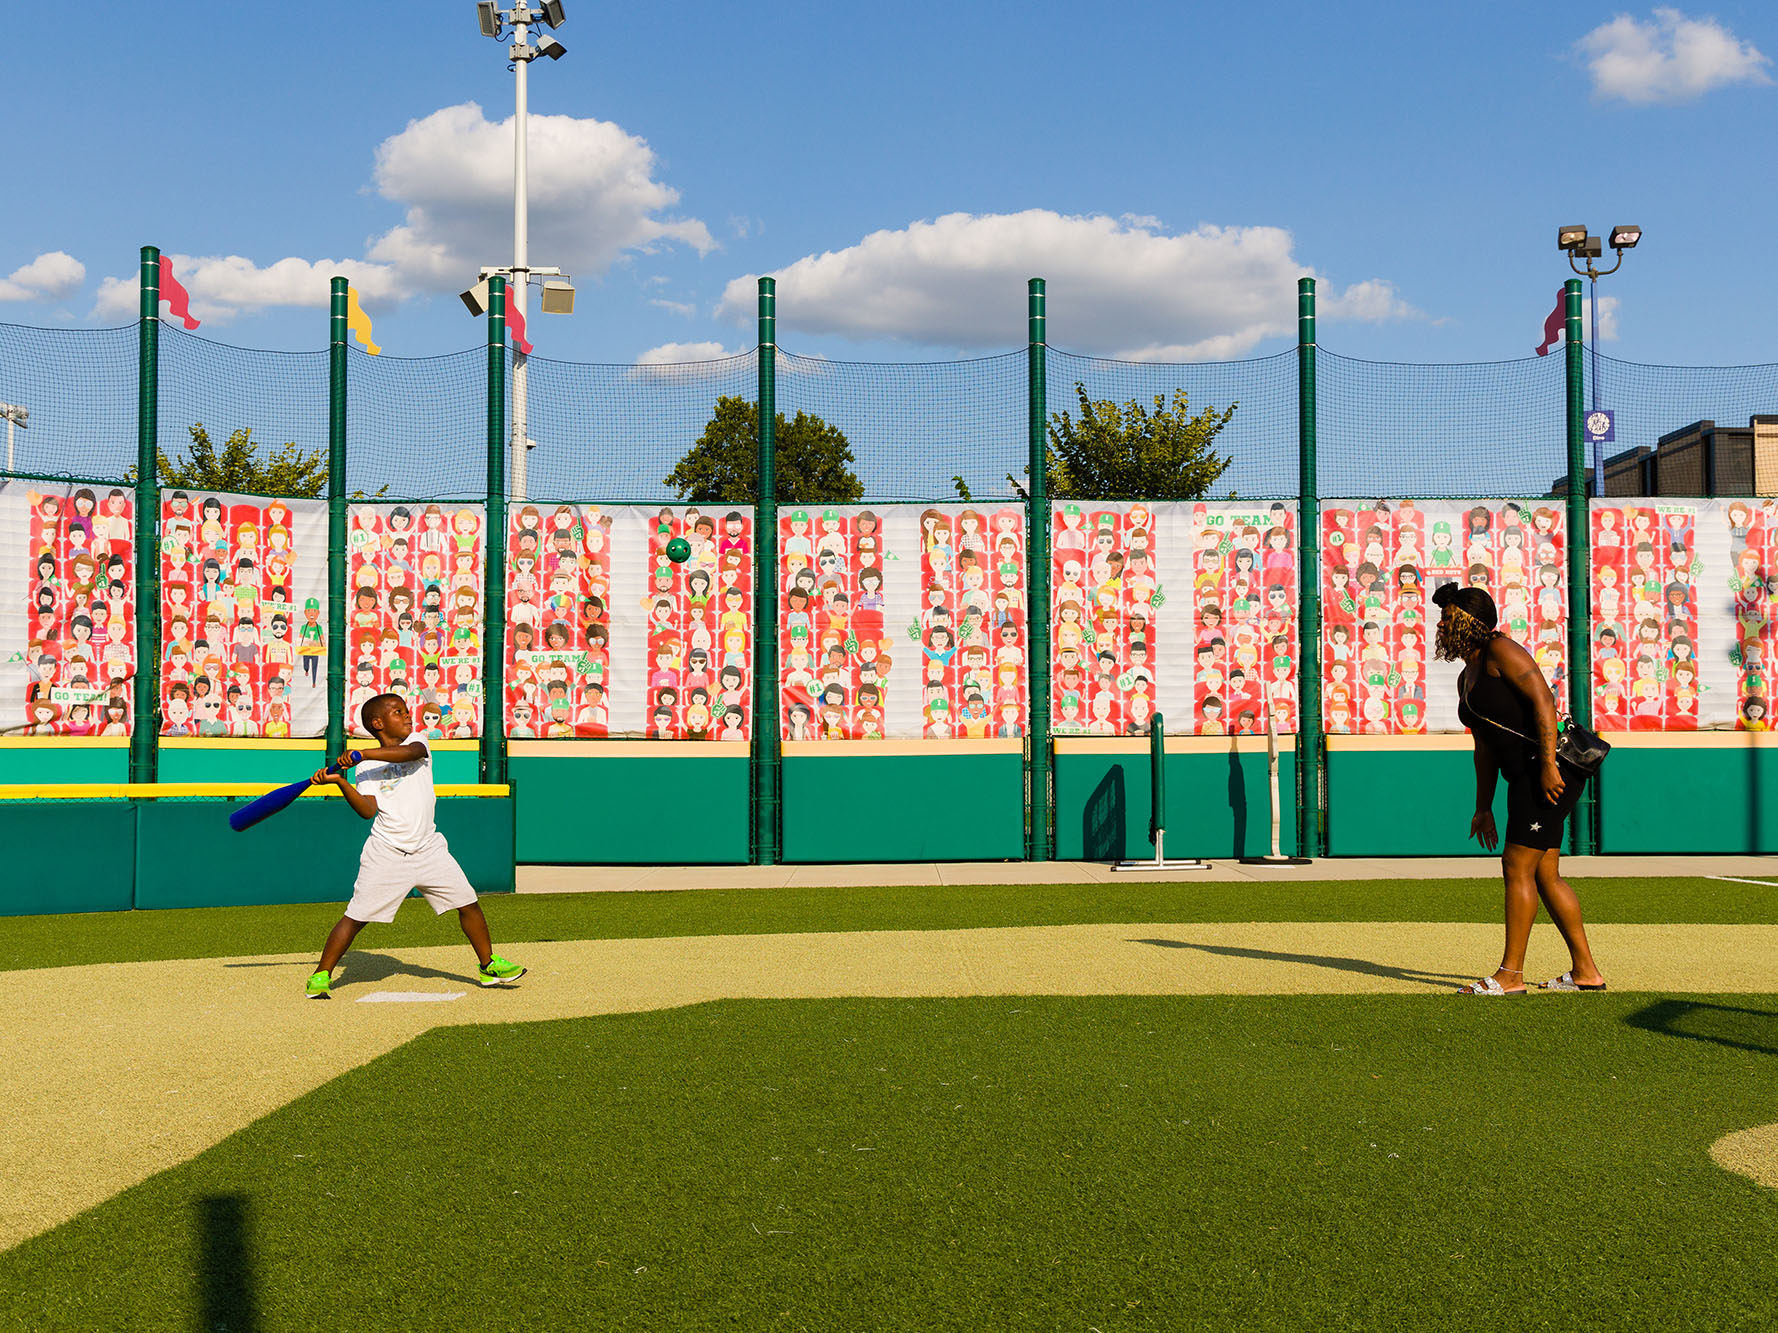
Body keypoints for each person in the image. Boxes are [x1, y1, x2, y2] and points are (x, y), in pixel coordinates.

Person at [1435, 583, 1605, 996]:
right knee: (1545, 873)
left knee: (1516, 866)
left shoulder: (1501, 650)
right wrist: (1482, 806)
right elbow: (1483, 746)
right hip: (1523, 775)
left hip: (1548, 770)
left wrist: (1547, 764)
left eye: (1449, 615)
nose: (1441, 623)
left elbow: (1544, 701)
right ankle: (1586, 972)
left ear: (1471, 621)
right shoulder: (1466, 675)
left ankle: (1510, 975)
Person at [304, 692, 526, 998]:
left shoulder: (417, 741)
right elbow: (368, 810)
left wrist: (363, 753)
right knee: (356, 917)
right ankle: (321, 975)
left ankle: (488, 965)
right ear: (378, 723)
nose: (408, 715)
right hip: (386, 851)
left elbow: (411, 753)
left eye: (406, 710)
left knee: (468, 903)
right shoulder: (364, 770)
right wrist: (341, 782)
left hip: (428, 847)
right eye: (398, 712)